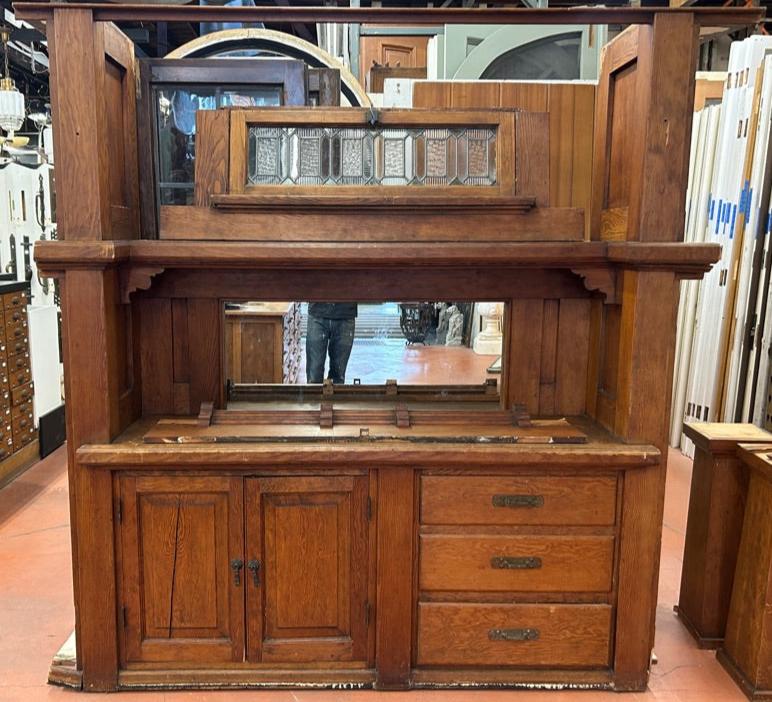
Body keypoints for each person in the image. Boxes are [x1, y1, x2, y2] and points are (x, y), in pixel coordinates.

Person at [305, 303, 357, 384]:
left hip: (345, 313)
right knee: (314, 375)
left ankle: (333, 397)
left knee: (338, 375)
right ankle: (314, 397)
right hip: (317, 311)